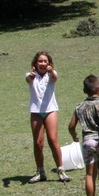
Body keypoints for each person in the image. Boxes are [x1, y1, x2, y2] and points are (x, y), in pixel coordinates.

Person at [25, 51, 69, 184]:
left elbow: (55, 77)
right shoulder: (30, 76)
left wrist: (51, 71)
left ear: (49, 63)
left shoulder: (51, 75)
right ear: (35, 63)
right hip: (36, 112)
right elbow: (28, 79)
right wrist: (32, 75)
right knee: (38, 143)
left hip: (50, 110)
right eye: (40, 61)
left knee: (53, 140)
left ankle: (61, 170)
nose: (43, 63)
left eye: (45, 61)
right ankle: (40, 172)